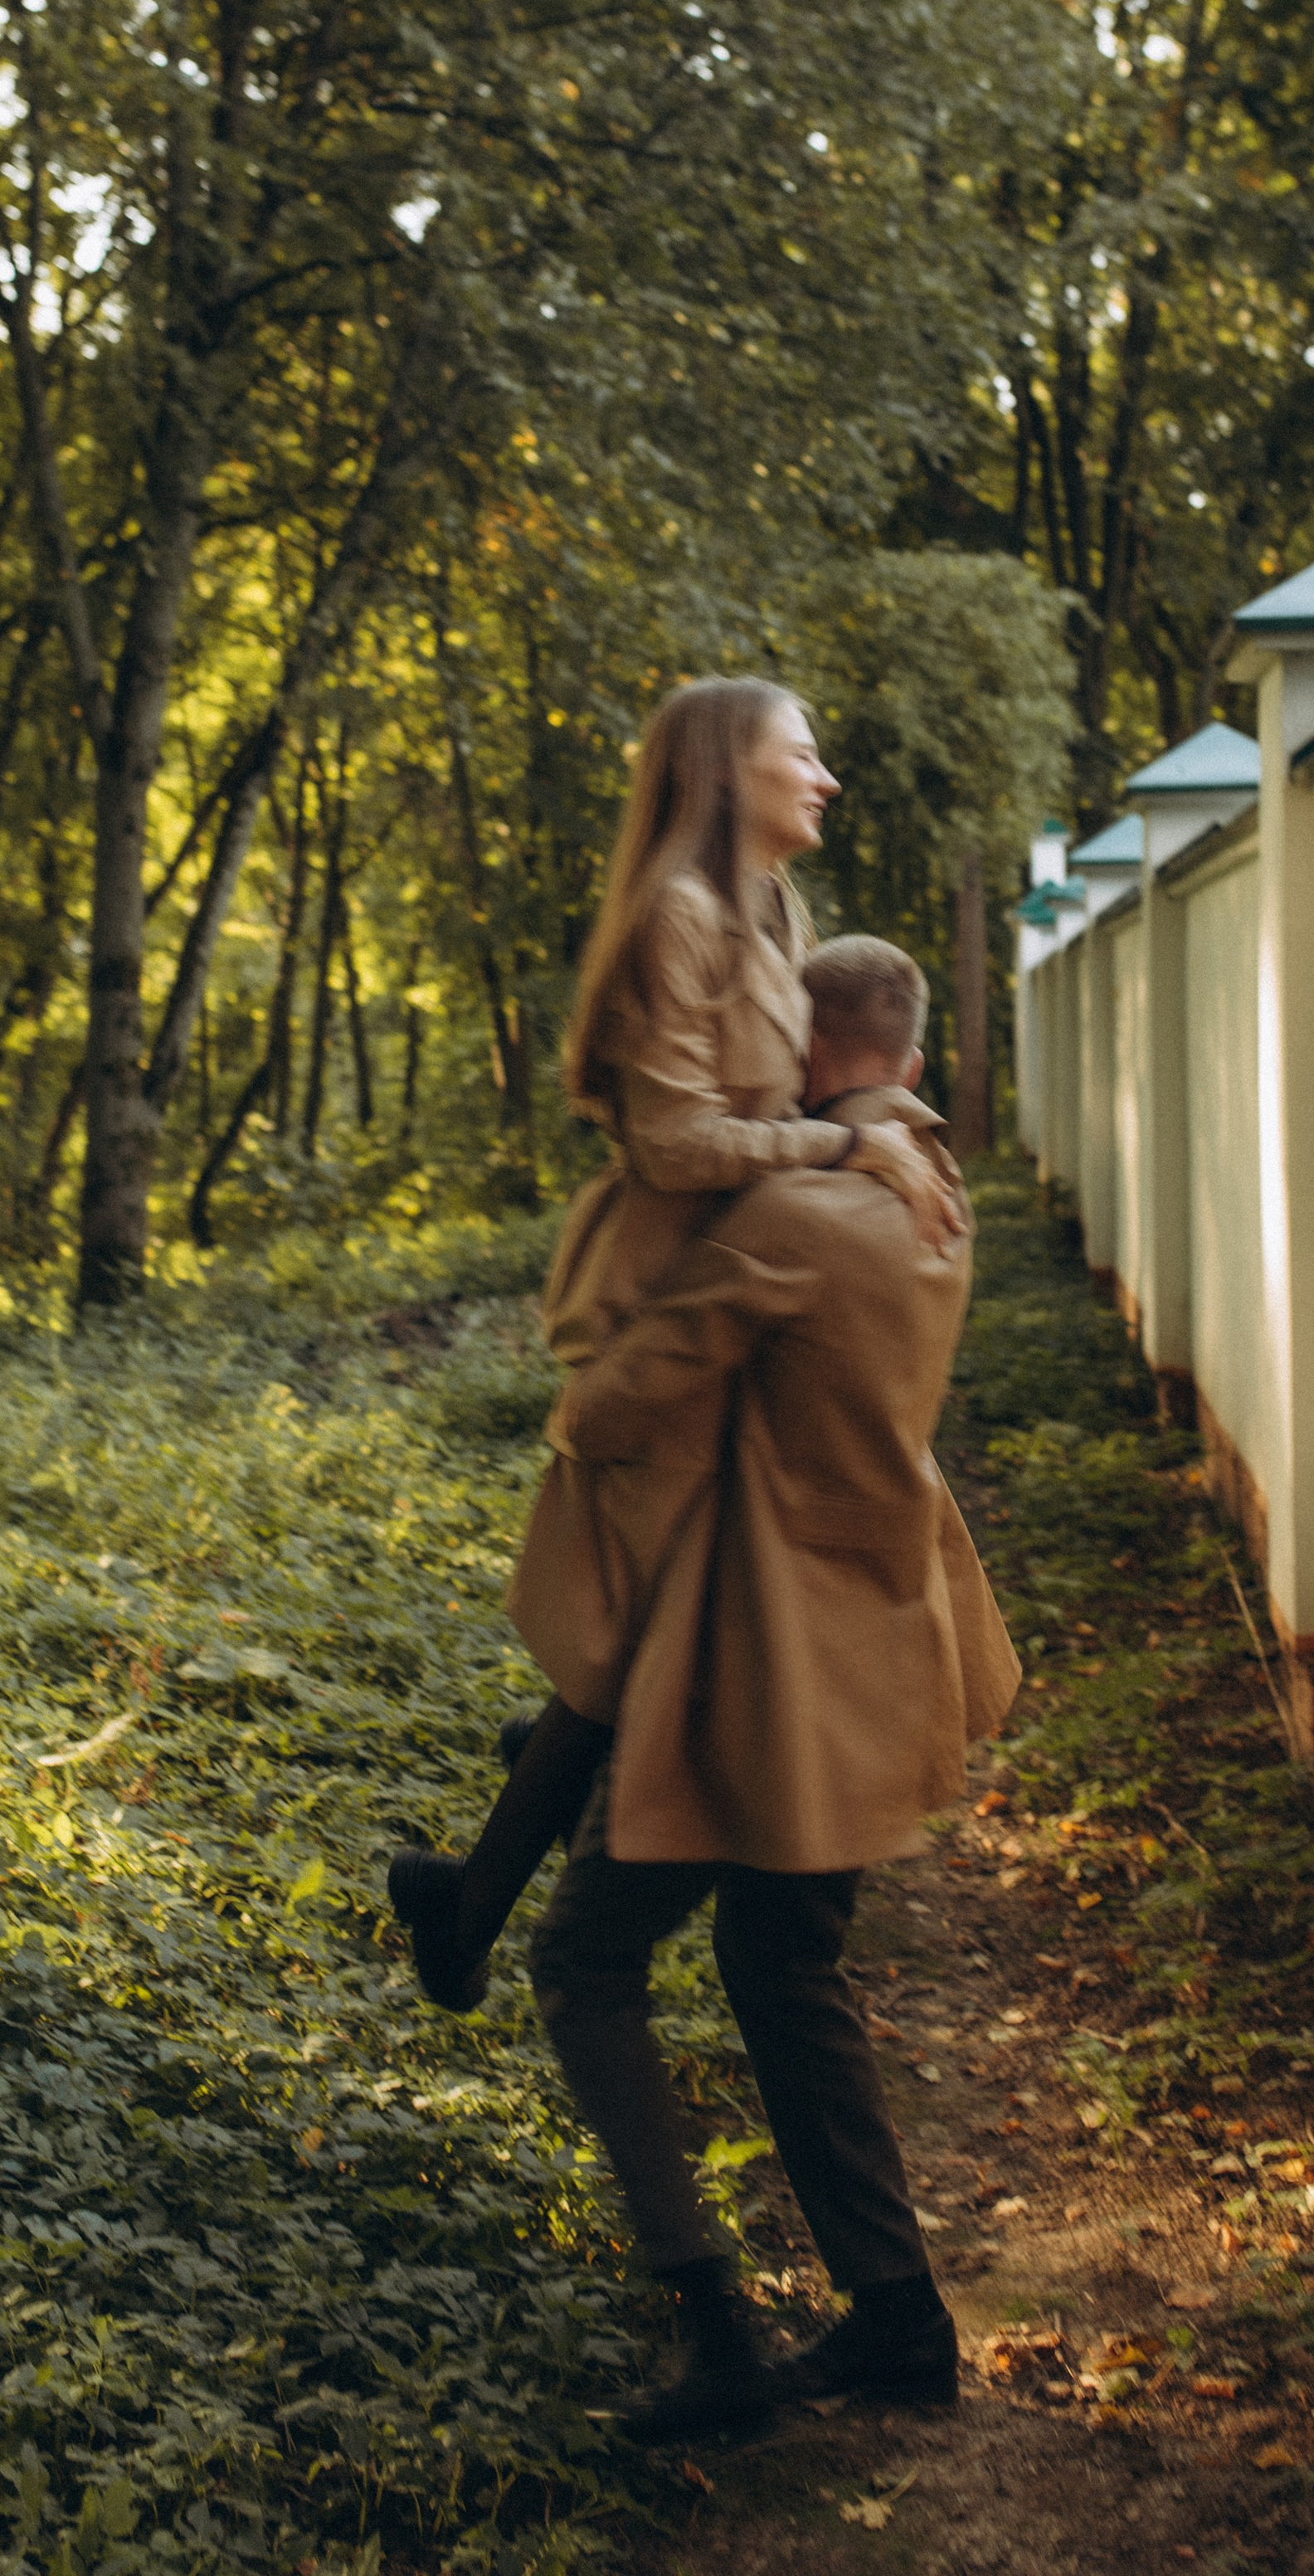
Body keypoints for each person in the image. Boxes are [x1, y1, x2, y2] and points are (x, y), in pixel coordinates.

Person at [387, 680, 962, 2009]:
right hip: (668, 1291)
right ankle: (490, 1888)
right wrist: (848, 1144)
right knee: (655, 1594)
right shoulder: (680, 918)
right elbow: (675, 1143)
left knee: (677, 1598)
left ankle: (472, 1898)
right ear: (725, 770)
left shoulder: (771, 910)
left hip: (746, 1282)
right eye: (801, 753)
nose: (825, 775)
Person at [528, 934, 1020, 2442]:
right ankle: (894, 2319)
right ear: (916, 1061)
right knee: (780, 1963)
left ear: (797, 1063)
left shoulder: (803, 1217)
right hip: (882, 1632)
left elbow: (614, 1400)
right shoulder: (928, 1187)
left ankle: (736, 2320)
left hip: (777, 1661)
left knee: (592, 1958)